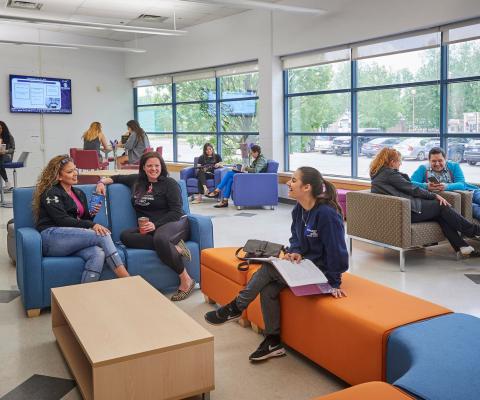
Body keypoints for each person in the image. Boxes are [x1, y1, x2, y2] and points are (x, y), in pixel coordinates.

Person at [205, 166, 348, 361]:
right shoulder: (299, 210)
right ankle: (273, 341)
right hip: (304, 266)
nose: (288, 183)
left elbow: (337, 251)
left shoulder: (326, 214)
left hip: (321, 273)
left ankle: (236, 307)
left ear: (306, 187)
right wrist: (296, 251)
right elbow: (296, 238)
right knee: (269, 289)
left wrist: (334, 282)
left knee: (270, 268)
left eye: (294, 180)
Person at [96, 151, 196, 301]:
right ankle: (176, 248)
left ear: (161, 167)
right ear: (143, 167)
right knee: (125, 236)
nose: (153, 169)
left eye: (157, 165)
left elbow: (176, 212)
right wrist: (101, 182)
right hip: (149, 228)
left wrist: (155, 225)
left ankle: (186, 280)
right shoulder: (136, 181)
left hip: (174, 224)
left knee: (161, 238)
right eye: (149, 166)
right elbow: (116, 178)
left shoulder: (170, 184)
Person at [33, 155, 130, 283]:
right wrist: (92, 225)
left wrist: (92, 214)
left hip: (71, 239)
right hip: (51, 237)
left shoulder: (78, 193)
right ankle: (127, 279)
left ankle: (86, 293)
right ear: (58, 176)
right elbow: (62, 220)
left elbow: (83, 220)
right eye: (69, 171)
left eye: (75, 169)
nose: (75, 174)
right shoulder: (51, 192)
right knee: (102, 234)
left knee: (97, 253)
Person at [370, 147, 480, 258]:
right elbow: (412, 188)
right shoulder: (390, 174)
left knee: (441, 215)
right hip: (407, 211)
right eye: (399, 161)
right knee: (441, 206)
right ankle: (474, 230)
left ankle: (463, 247)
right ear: (392, 162)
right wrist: (434, 195)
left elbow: (405, 188)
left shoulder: (379, 174)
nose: (400, 164)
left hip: (399, 211)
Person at [411, 146, 480, 220]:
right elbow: (409, 183)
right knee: (475, 209)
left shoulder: (454, 166)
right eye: (434, 161)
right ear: (429, 160)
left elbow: (461, 184)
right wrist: (426, 186)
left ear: (445, 159)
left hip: (472, 191)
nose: (437, 164)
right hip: (458, 200)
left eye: (440, 160)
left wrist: (446, 187)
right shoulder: (423, 168)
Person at [0, 121, 15, 191]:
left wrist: (5, 151)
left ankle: (7, 182)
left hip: (7, 156)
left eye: (0, 128)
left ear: (3, 128)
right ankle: (7, 183)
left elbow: (12, 149)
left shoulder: (9, 137)